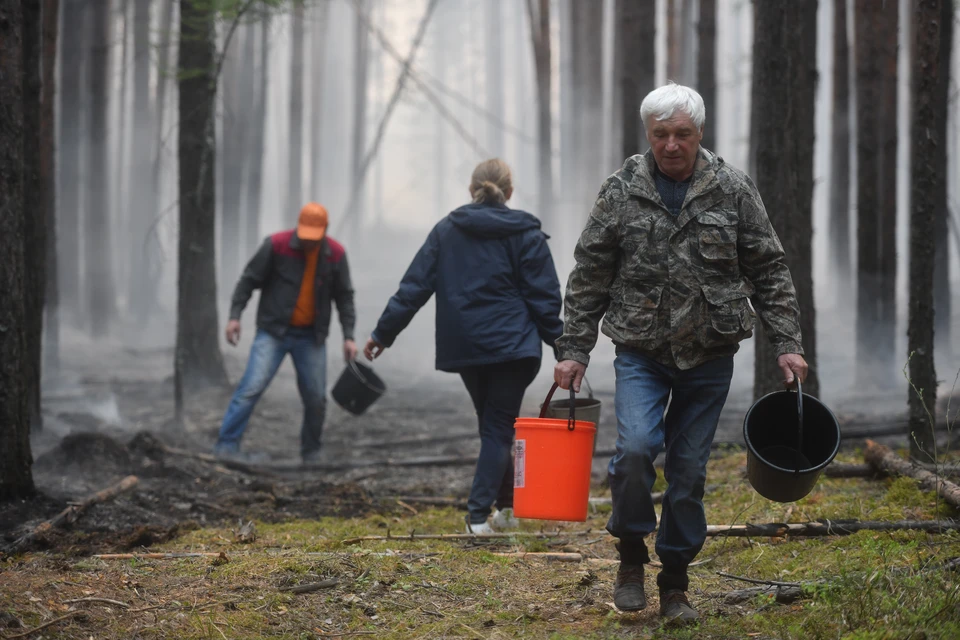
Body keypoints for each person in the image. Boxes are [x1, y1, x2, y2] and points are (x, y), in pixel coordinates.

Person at [554, 83, 808, 625]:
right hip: (641, 350)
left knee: (689, 471)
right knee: (639, 449)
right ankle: (629, 555)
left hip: (709, 354)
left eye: (682, 135)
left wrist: (787, 343)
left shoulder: (732, 189)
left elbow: (768, 269)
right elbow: (589, 274)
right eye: (661, 134)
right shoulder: (621, 190)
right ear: (649, 135)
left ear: (699, 134)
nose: (672, 145)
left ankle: (674, 583)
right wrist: (574, 349)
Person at [364, 159, 564, 534]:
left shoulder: (446, 231)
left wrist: (382, 334)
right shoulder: (525, 233)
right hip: (514, 346)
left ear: (471, 190)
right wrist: (562, 346)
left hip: (468, 346)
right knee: (497, 427)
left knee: (493, 426)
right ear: (509, 192)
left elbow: (413, 288)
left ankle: (506, 510)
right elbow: (544, 298)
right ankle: (477, 516)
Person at [213, 203, 357, 463]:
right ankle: (226, 447)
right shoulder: (276, 246)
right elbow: (248, 280)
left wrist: (349, 335)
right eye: (305, 237)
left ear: (325, 231)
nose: (309, 243)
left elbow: (344, 297)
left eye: (314, 238)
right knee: (250, 388)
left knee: (316, 398)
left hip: (311, 337)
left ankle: (311, 452)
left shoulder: (335, 255)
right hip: (273, 332)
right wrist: (235, 316)